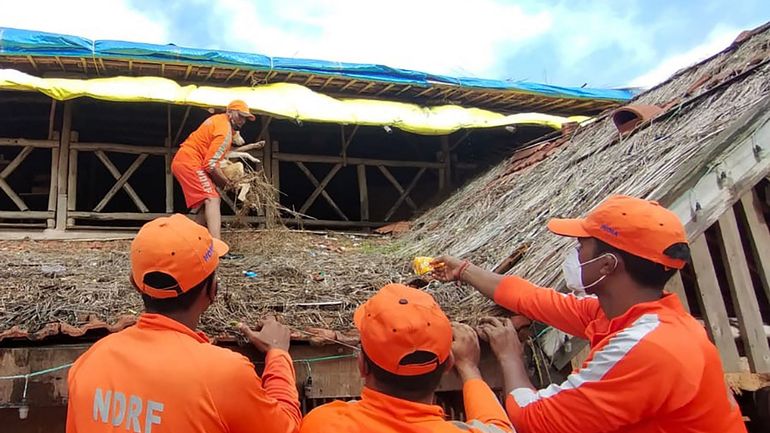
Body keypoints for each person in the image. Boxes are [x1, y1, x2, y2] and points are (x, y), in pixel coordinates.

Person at [432, 195, 747, 433]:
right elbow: (531, 298)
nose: (574, 254)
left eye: (581, 246)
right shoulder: (620, 314)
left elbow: (533, 419)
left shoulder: (648, 347)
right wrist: (463, 270)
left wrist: (509, 356)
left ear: (607, 265)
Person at [65, 214, 302, 433]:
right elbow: (287, 427)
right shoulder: (224, 374)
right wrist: (279, 355)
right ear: (213, 290)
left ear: (136, 284)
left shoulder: (89, 363)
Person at [300, 283, 514, 433]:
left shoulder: (322, 424)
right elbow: (499, 428)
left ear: (362, 365)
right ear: (448, 363)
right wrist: (469, 369)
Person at [171, 100, 255, 258]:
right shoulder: (224, 131)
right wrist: (228, 184)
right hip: (190, 162)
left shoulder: (219, 120)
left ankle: (191, 244)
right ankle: (219, 249)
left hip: (187, 161)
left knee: (207, 203)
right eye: (240, 116)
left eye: (245, 118)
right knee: (213, 199)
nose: (242, 121)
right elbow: (210, 164)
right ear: (229, 112)